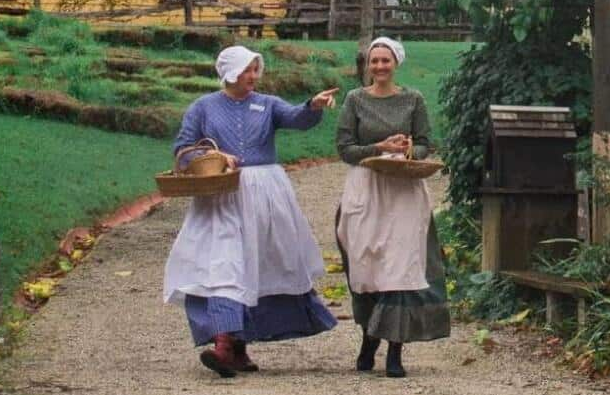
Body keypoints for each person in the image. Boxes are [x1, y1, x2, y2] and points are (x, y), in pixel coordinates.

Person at [163, 45, 339, 377]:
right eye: (248, 70)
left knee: (258, 265)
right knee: (222, 265)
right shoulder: (203, 108)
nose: (254, 77)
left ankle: (238, 346)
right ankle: (223, 345)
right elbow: (182, 150)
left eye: (257, 70)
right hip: (221, 195)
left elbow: (296, 118)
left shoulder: (267, 104)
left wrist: (312, 106)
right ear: (230, 72)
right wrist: (214, 157)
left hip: (265, 195)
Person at [334, 36, 450, 377]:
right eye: (375, 61)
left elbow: (428, 145)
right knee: (368, 266)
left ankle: (395, 351)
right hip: (367, 187)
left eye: (386, 60)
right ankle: (370, 339)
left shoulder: (413, 99)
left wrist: (410, 150)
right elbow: (344, 148)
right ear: (368, 66)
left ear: (395, 63)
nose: (380, 66)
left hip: (404, 190)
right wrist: (378, 147)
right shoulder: (355, 100)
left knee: (400, 268)